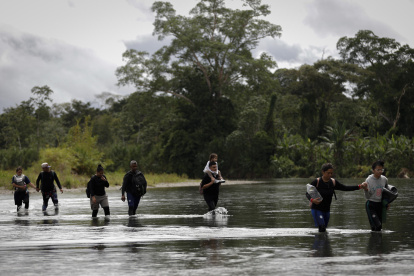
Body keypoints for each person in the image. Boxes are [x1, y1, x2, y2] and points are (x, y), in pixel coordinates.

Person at [306, 163, 367, 232]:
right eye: (328, 173)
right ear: (323, 172)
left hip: (326, 210)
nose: (330, 175)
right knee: (322, 228)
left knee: (324, 230)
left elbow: (345, 188)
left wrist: (359, 186)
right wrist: (312, 200)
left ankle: (323, 242)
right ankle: (319, 242)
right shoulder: (316, 182)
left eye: (331, 173)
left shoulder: (333, 182)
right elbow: (307, 194)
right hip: (317, 209)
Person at [362, 160, 389, 232]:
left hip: (380, 205)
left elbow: (386, 193)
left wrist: (387, 203)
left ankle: (376, 242)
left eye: (381, 170)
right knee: (377, 225)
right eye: (378, 170)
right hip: (371, 205)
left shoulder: (384, 179)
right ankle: (374, 242)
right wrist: (365, 189)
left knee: (378, 228)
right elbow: (367, 197)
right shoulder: (368, 180)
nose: (380, 171)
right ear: (373, 170)